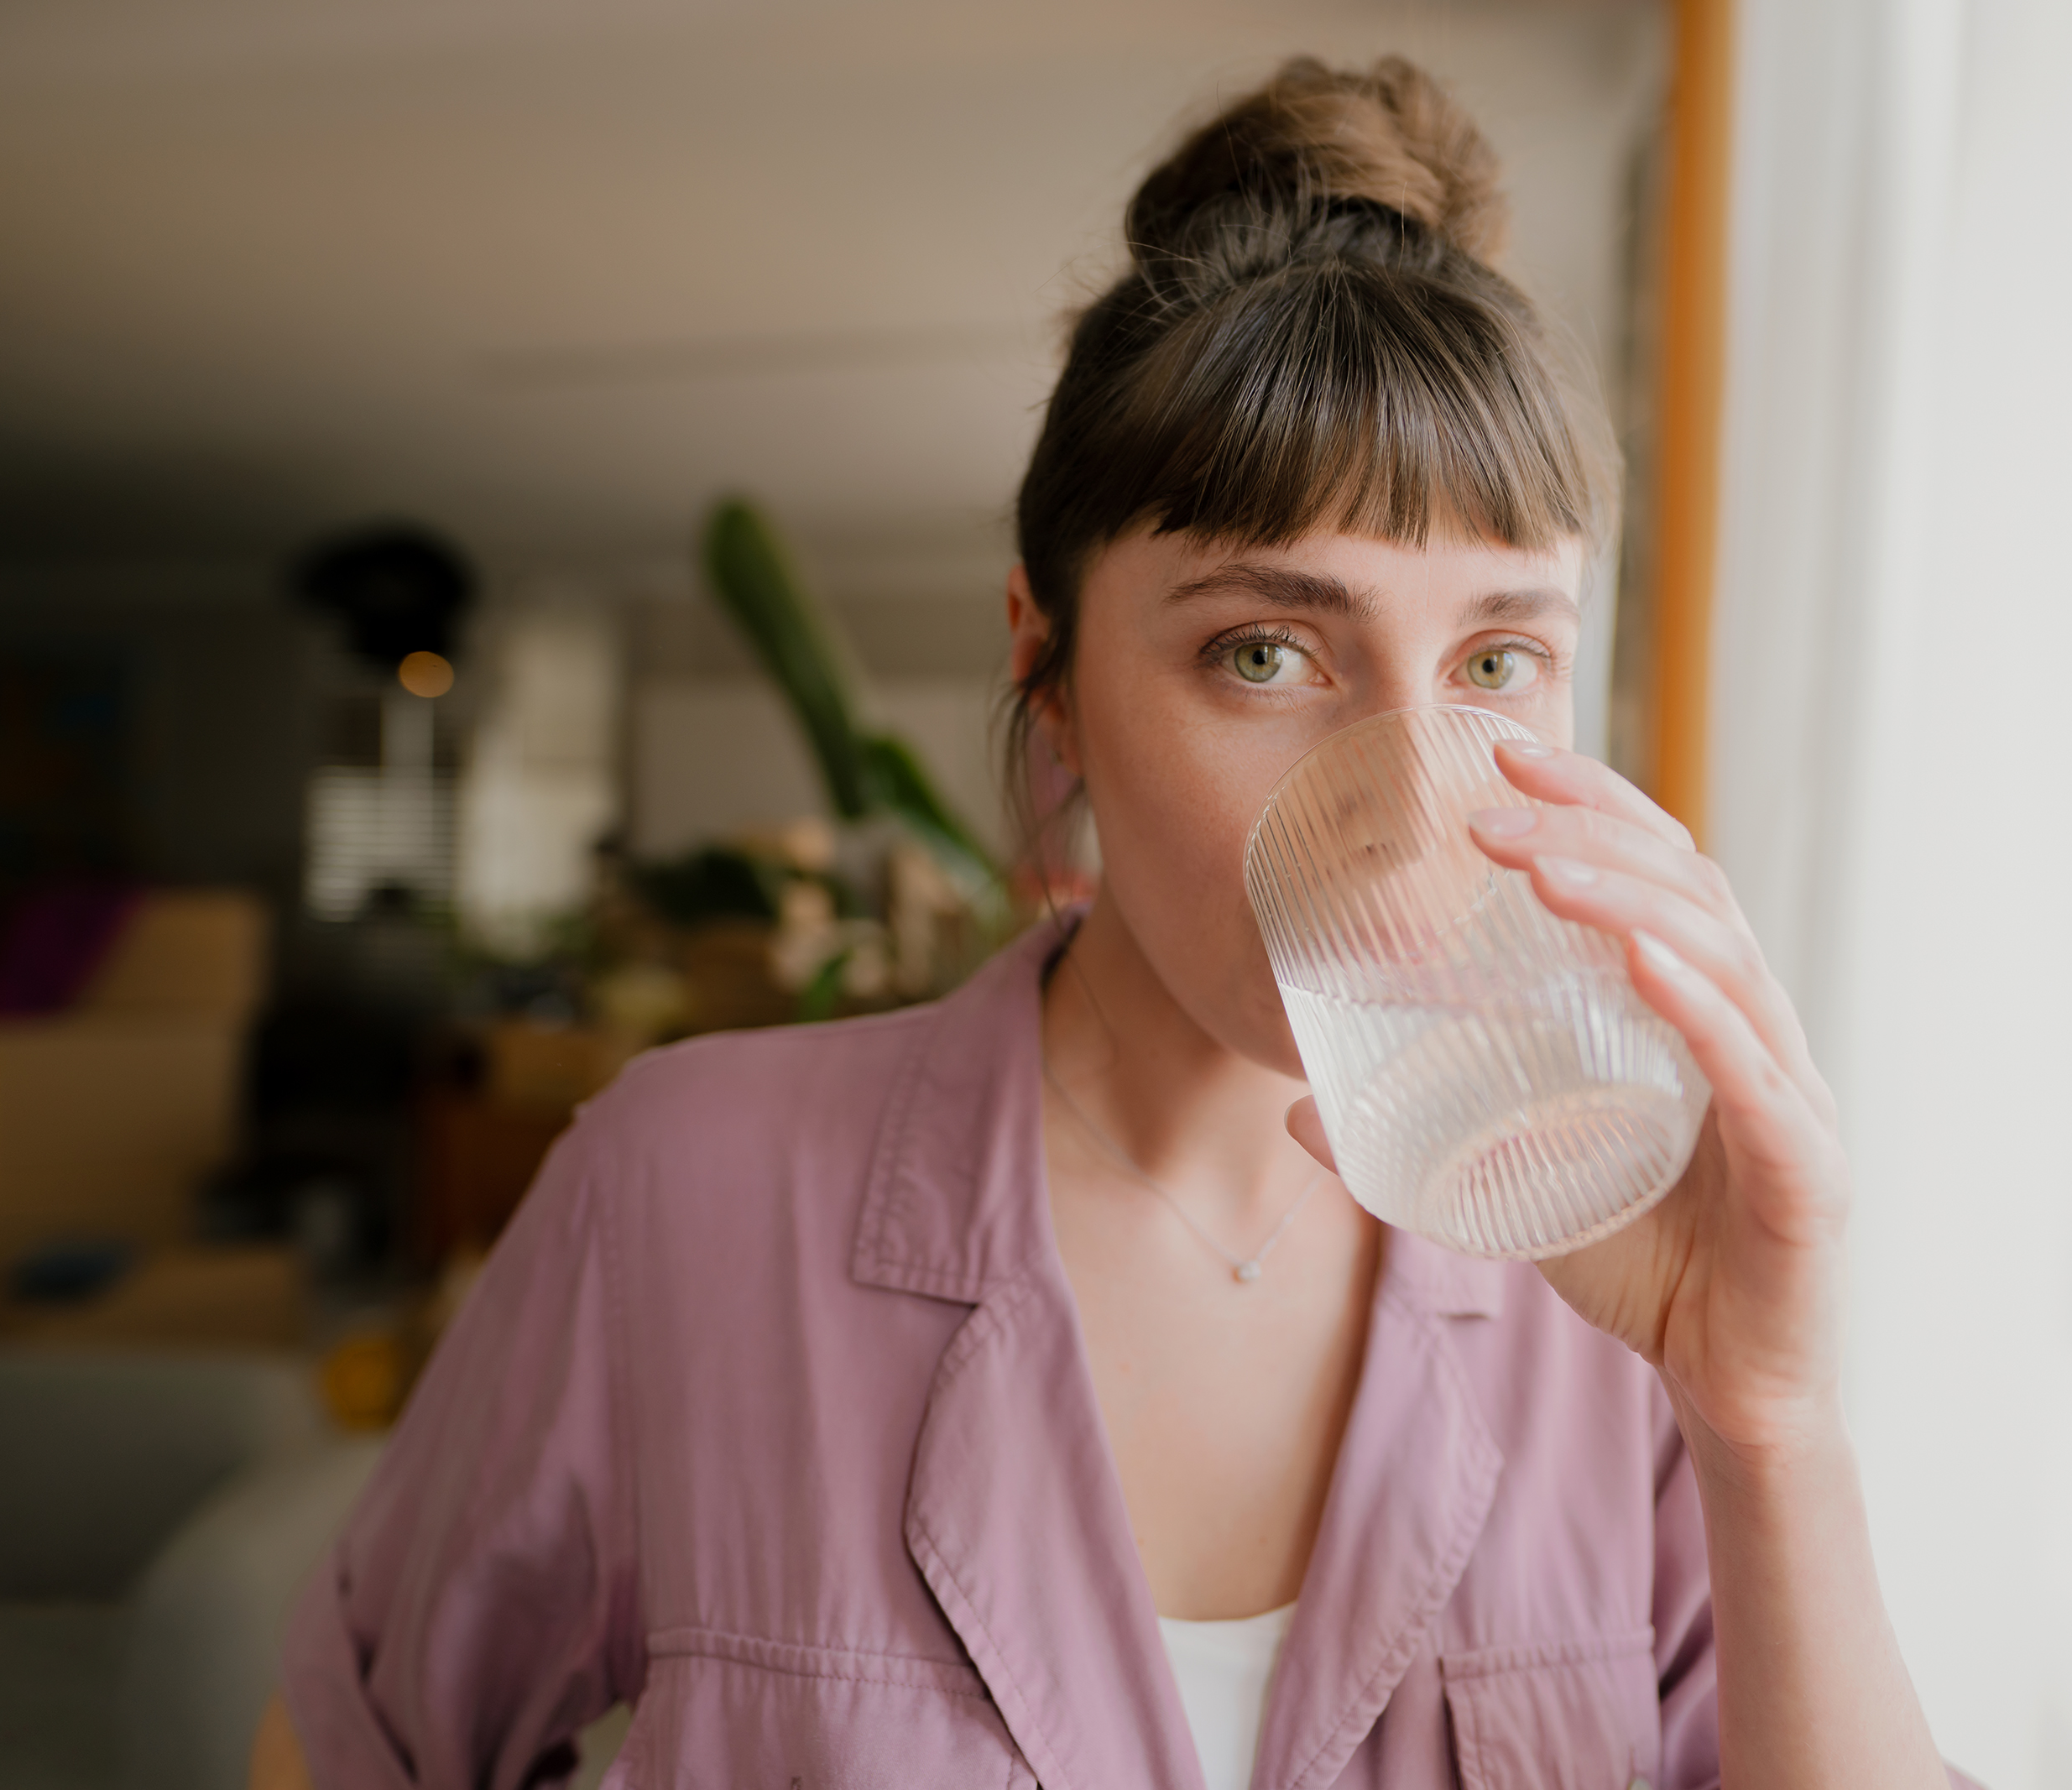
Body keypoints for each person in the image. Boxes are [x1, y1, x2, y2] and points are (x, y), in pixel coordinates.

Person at [256, 56, 1970, 1790]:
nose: (1408, 805)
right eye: (1264, 652)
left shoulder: (1614, 1282)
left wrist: (1769, 1423)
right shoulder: (692, 1193)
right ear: (1050, 668)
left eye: (1497, 659)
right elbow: (339, 1754)